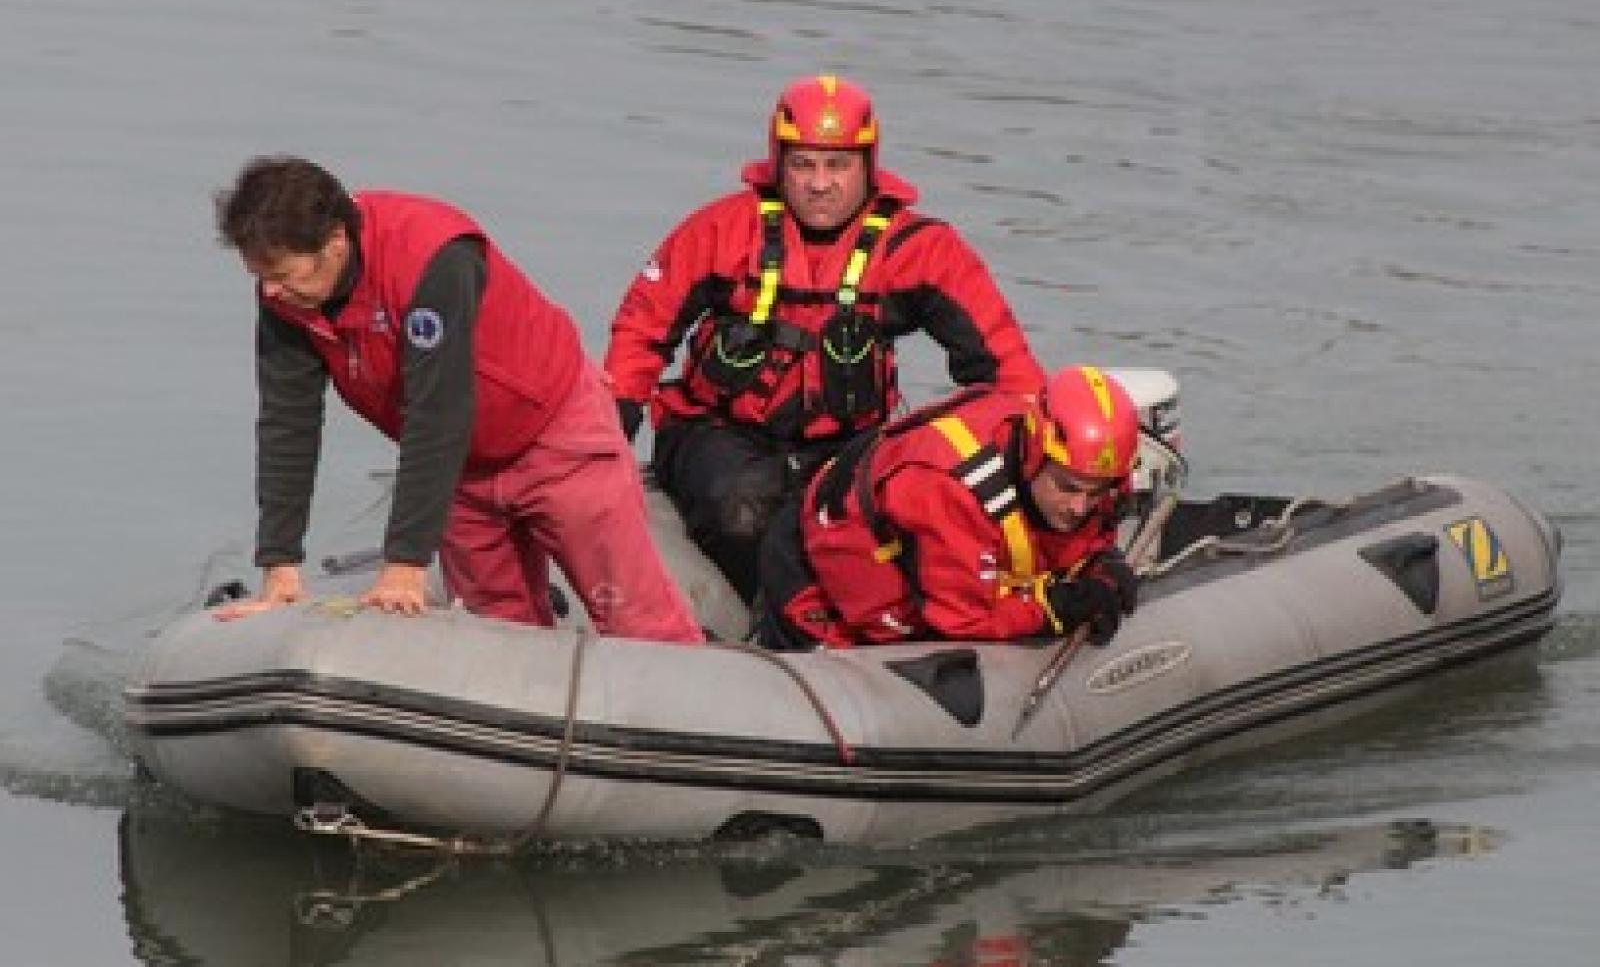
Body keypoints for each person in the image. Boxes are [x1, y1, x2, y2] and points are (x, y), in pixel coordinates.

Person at [212, 155, 703, 644]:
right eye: (259, 275)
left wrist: (406, 562)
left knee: (638, 621)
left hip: (555, 436)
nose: (270, 290)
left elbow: (437, 410)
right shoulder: (286, 298)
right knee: (498, 637)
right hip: (463, 474)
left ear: (336, 241)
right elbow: (287, 422)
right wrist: (280, 563)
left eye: (281, 273)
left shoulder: (432, 259)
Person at [604, 74, 1045, 603]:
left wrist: (1031, 463)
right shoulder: (720, 232)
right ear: (778, 165)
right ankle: (776, 622)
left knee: (889, 523)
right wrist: (609, 431)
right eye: (803, 164)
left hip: (846, 444)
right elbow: (643, 328)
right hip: (715, 431)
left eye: (837, 165)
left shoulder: (922, 251)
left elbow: (1003, 369)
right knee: (743, 510)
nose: (819, 183)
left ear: (867, 166)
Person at [754, 365, 1141, 649]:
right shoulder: (953, 489)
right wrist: (1054, 608)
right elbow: (964, 618)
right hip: (816, 581)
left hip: (940, 564)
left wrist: (1100, 566)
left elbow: (1073, 532)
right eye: (1069, 487)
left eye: (1095, 493)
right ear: (1036, 454)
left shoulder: (1091, 477)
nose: (1080, 507)